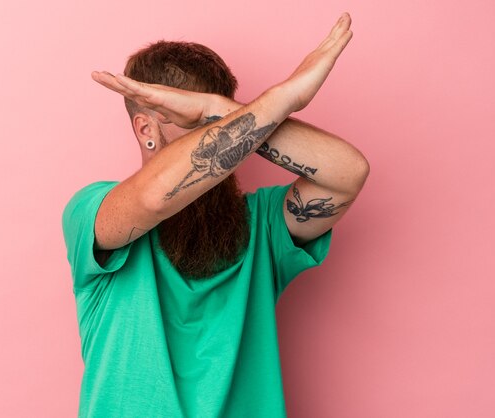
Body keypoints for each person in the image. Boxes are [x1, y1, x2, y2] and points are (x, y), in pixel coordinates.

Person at [62, 12, 368, 418]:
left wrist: (215, 108)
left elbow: (348, 173)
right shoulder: (92, 210)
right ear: (145, 128)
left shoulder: (263, 225)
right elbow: (153, 199)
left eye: (225, 125)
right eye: (197, 126)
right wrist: (284, 98)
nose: (228, 144)